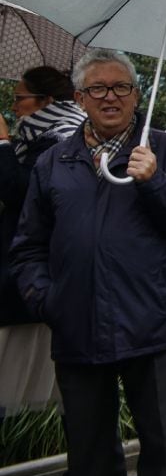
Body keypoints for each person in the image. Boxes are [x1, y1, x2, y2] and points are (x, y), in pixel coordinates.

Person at [11, 49, 166, 476]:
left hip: (150, 326)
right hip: (76, 323)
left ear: (137, 95)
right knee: (90, 454)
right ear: (80, 98)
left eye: (121, 87)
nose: (110, 97)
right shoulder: (54, 162)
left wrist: (155, 180)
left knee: (162, 450)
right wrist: (47, 299)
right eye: (98, 88)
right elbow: (28, 246)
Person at [0, 67, 84, 415]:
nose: (15, 106)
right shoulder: (34, 137)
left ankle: (88, 469)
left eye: (20, 98)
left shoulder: (60, 139)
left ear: (47, 101)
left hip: (34, 282)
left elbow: (21, 191)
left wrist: (2, 143)